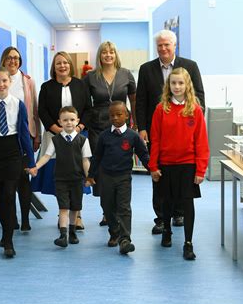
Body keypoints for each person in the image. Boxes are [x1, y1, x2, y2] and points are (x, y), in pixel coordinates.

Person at [136, 29, 205, 234]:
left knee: (183, 178)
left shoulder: (190, 66)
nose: (163, 48)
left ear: (175, 46)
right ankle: (161, 217)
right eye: (160, 45)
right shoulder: (146, 69)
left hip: (185, 131)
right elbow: (140, 101)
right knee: (159, 176)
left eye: (167, 45)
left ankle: (179, 214)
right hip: (157, 131)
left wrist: (191, 119)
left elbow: (199, 94)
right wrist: (142, 128)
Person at [148, 67, 209, 260]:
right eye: (173, 83)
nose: (177, 86)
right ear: (168, 85)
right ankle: (167, 230)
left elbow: (201, 142)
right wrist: (153, 165)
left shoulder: (195, 110)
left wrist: (201, 169)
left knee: (187, 203)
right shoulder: (161, 109)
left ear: (187, 85)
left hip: (188, 164)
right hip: (166, 163)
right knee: (167, 200)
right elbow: (155, 139)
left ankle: (188, 243)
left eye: (180, 83)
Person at [0, 67, 37, 258]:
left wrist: (31, 161)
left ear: (10, 82)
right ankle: (5, 230)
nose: (1, 85)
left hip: (13, 152)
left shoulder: (18, 104)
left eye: (4, 81)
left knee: (10, 194)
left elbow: (24, 134)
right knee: (0, 197)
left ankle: (8, 240)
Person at [32, 51, 92, 229]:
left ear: (70, 65)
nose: (62, 66)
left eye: (65, 62)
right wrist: (57, 130)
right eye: (58, 63)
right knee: (60, 177)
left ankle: (78, 216)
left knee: (77, 174)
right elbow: (42, 111)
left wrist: (79, 128)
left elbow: (88, 110)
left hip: (78, 136)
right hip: (54, 136)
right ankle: (63, 214)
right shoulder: (46, 87)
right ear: (54, 67)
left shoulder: (81, 85)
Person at [83, 41, 137, 227]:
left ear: (116, 54)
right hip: (99, 128)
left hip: (121, 129)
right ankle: (107, 211)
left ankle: (119, 209)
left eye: (111, 52)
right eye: (104, 52)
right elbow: (84, 104)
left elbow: (133, 100)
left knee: (120, 167)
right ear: (99, 55)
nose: (108, 55)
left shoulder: (126, 74)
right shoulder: (90, 77)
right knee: (102, 170)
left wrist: (135, 124)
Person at [86, 101, 149, 255]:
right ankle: (114, 232)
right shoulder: (104, 136)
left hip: (124, 177)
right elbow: (97, 157)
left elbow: (143, 155)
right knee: (107, 206)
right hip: (106, 177)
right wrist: (90, 175)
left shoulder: (133, 136)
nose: (115, 118)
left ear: (127, 116)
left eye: (119, 114)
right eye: (112, 115)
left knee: (124, 208)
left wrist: (152, 170)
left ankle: (125, 239)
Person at [35, 106, 91, 247]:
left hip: (77, 180)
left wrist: (89, 177)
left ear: (77, 121)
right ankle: (63, 235)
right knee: (63, 208)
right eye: (65, 120)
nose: (69, 123)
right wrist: (35, 167)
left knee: (74, 208)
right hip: (60, 180)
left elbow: (85, 161)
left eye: (72, 120)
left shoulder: (83, 140)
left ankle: (72, 232)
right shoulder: (55, 140)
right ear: (60, 122)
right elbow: (47, 156)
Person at [0, 46, 41, 231]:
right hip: (5, 139)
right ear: (3, 60)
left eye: (16, 58)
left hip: (25, 136)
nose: (13, 61)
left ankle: (25, 219)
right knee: (9, 181)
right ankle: (12, 219)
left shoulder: (28, 81)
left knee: (24, 180)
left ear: (20, 60)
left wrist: (37, 135)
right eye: (9, 58)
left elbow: (35, 110)